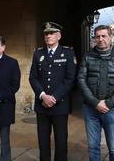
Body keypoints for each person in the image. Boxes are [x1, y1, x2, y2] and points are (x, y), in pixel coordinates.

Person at [29, 22, 76, 161]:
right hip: (42, 105)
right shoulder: (38, 53)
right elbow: (33, 77)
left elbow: (70, 78)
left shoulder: (67, 52)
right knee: (43, 141)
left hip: (60, 105)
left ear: (59, 36)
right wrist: (43, 95)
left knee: (61, 141)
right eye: (46, 34)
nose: (48, 36)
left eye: (52, 33)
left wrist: (54, 97)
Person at [78, 25, 114, 161]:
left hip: (113, 109)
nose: (100, 39)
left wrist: (109, 102)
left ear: (111, 37)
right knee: (93, 147)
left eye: (104, 36)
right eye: (97, 36)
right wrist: (95, 102)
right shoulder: (88, 56)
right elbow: (81, 80)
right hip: (91, 109)